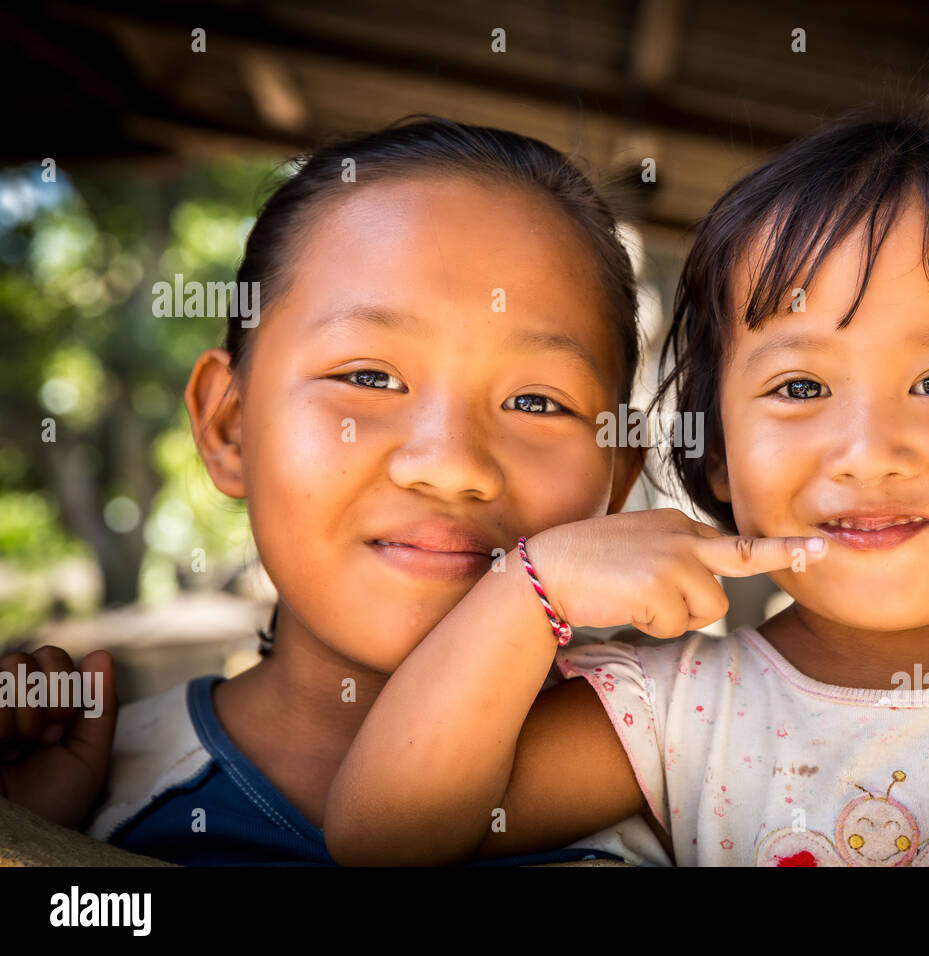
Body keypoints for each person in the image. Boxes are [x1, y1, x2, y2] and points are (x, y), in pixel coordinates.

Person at [325, 114, 929, 866]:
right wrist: (532, 585)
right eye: (799, 387)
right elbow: (386, 837)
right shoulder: (678, 718)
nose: (868, 452)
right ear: (717, 453)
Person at [0, 115, 669, 865]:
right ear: (230, 427)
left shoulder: (707, 784)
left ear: (618, 478)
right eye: (369, 377)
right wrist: (31, 839)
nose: (451, 464)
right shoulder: (80, 793)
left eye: (537, 402)